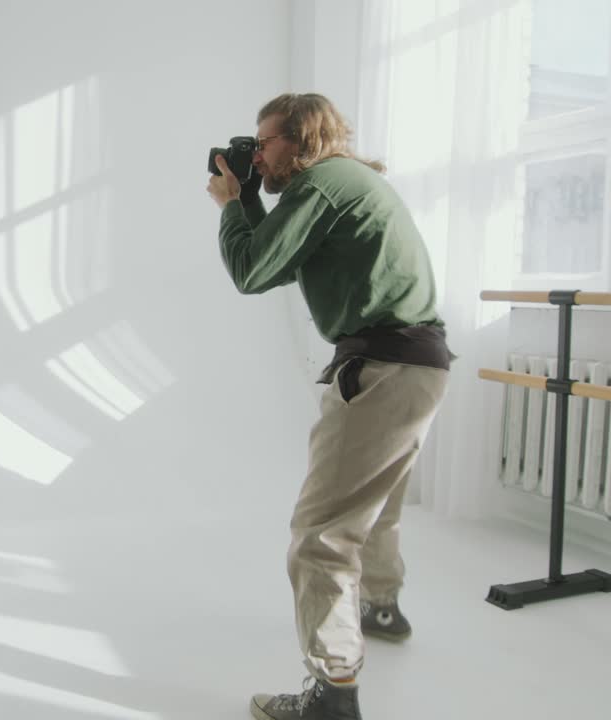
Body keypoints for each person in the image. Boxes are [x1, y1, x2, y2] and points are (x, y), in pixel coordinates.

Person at [206, 93, 451, 719]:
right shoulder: (345, 182)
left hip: (383, 369)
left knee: (320, 537)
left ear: (303, 137)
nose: (257, 155)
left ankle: (332, 694)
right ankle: (381, 607)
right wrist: (252, 198)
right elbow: (281, 259)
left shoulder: (320, 182)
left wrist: (235, 203)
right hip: (415, 365)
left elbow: (251, 270)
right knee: (376, 508)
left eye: (265, 143)